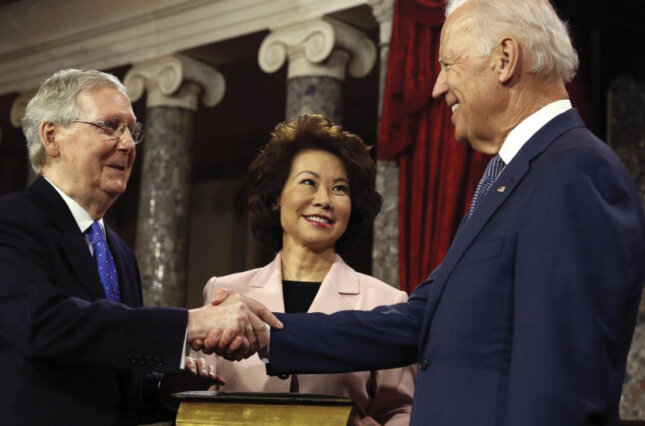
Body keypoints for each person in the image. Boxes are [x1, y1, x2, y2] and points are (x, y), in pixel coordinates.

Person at [204, 1, 645, 425]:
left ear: (506, 58)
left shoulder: (573, 171)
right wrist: (270, 335)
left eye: (448, 64)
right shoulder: (512, 178)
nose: (437, 86)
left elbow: (560, 387)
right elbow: (417, 321)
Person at [0, 68, 280, 426]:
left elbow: (111, 377)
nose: (128, 144)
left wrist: (166, 389)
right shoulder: (11, 221)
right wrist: (191, 322)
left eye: (131, 131)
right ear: (52, 137)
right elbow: (45, 325)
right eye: (109, 126)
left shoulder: (120, 253)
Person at [191, 114, 415, 425]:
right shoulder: (223, 292)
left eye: (339, 188)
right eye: (309, 182)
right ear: (275, 197)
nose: (324, 200)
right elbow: (198, 398)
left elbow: (401, 412)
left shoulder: (386, 301)